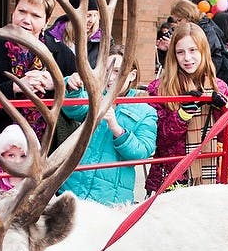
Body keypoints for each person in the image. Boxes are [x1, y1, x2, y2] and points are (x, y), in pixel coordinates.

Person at [0, 0, 78, 160]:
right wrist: (14, 87)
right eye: (22, 11)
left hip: (48, 156)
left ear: (46, 22)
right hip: (2, 157)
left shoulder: (63, 55)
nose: (26, 20)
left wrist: (57, 84)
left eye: (35, 15)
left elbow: (79, 106)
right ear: (13, 12)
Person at [60, 46, 157, 205]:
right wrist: (72, 88)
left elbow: (142, 151)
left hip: (110, 196)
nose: (111, 78)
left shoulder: (146, 111)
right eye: (107, 71)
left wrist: (117, 130)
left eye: (117, 71)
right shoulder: (95, 96)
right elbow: (74, 110)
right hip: (75, 185)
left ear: (132, 75)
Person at [145, 22, 228, 195]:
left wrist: (222, 111)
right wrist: (181, 115)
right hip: (172, 175)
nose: (187, 58)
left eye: (193, 50)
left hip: (210, 174)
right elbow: (158, 139)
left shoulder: (219, 87)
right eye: (180, 52)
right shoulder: (159, 88)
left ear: (203, 51)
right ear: (173, 55)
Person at [47, 0, 104, 67]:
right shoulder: (51, 38)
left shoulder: (102, 40)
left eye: (95, 15)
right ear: (73, 16)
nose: (92, 21)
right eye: (88, 15)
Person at [0, 124, 29, 192]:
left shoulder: (31, 177)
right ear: (1, 155)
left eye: (23, 156)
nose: (17, 161)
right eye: (11, 155)